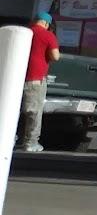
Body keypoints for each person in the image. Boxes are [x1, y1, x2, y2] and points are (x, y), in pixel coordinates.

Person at [15, 10, 60, 153]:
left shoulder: (24, 33)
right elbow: (55, 56)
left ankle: (10, 138)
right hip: (36, 80)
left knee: (14, 110)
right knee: (33, 112)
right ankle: (31, 142)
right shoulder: (48, 35)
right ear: (46, 23)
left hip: (16, 78)